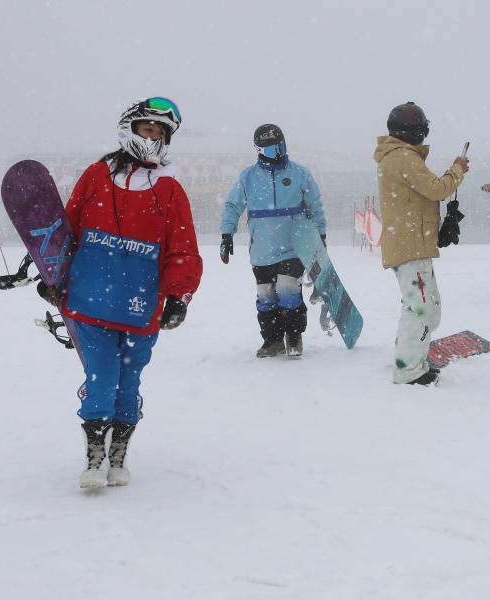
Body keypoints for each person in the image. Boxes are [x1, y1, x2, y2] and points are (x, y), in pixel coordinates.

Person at [42, 97, 202, 488]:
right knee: (101, 377)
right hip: (88, 299)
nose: (154, 138)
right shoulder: (96, 175)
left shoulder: (170, 190)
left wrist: (179, 297)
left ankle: (119, 454)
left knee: (128, 382)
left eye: (161, 133)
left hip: (140, 305)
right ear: (130, 129)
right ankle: (94, 457)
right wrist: (54, 276)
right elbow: (69, 229)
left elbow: (182, 247)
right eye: (148, 128)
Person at [373, 101, 468, 386]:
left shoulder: (397, 155)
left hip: (410, 243)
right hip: (409, 245)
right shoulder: (403, 156)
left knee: (424, 308)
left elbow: (421, 195)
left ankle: (414, 362)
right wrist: (457, 169)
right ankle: (408, 369)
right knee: (422, 309)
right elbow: (436, 188)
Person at [219, 124, 326, 358]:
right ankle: (273, 339)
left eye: (280, 146)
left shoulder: (300, 174)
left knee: (288, 290)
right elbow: (232, 205)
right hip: (261, 248)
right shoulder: (248, 177)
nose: (277, 152)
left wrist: (321, 235)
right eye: (270, 149)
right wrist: (227, 234)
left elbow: (315, 206)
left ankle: (294, 335)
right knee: (266, 295)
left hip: (293, 245)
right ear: (258, 150)